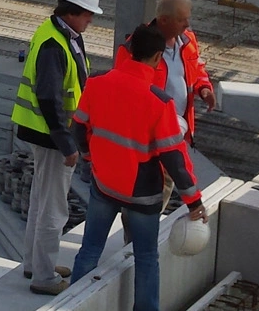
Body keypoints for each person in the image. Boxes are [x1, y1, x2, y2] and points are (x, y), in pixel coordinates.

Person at [69, 24, 209, 311]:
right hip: (142, 194)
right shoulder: (159, 103)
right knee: (146, 258)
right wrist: (193, 202)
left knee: (89, 250)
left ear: (130, 51)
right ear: (158, 57)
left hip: (104, 184)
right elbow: (175, 159)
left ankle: (71, 305)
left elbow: (79, 128)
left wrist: (89, 158)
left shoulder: (97, 84)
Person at [11, 0, 101, 295]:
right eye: (89, 13)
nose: (91, 19)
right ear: (73, 11)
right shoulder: (55, 43)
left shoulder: (61, 33)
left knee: (41, 200)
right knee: (53, 207)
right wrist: (67, 143)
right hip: (52, 136)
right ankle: (45, 277)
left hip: (46, 132)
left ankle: (35, 264)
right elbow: (49, 97)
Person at [111, 0, 215, 143]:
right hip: (150, 136)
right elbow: (123, 94)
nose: (187, 24)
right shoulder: (134, 47)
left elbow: (197, 69)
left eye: (188, 18)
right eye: (181, 20)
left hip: (179, 129)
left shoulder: (188, 39)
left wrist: (204, 88)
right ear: (164, 20)